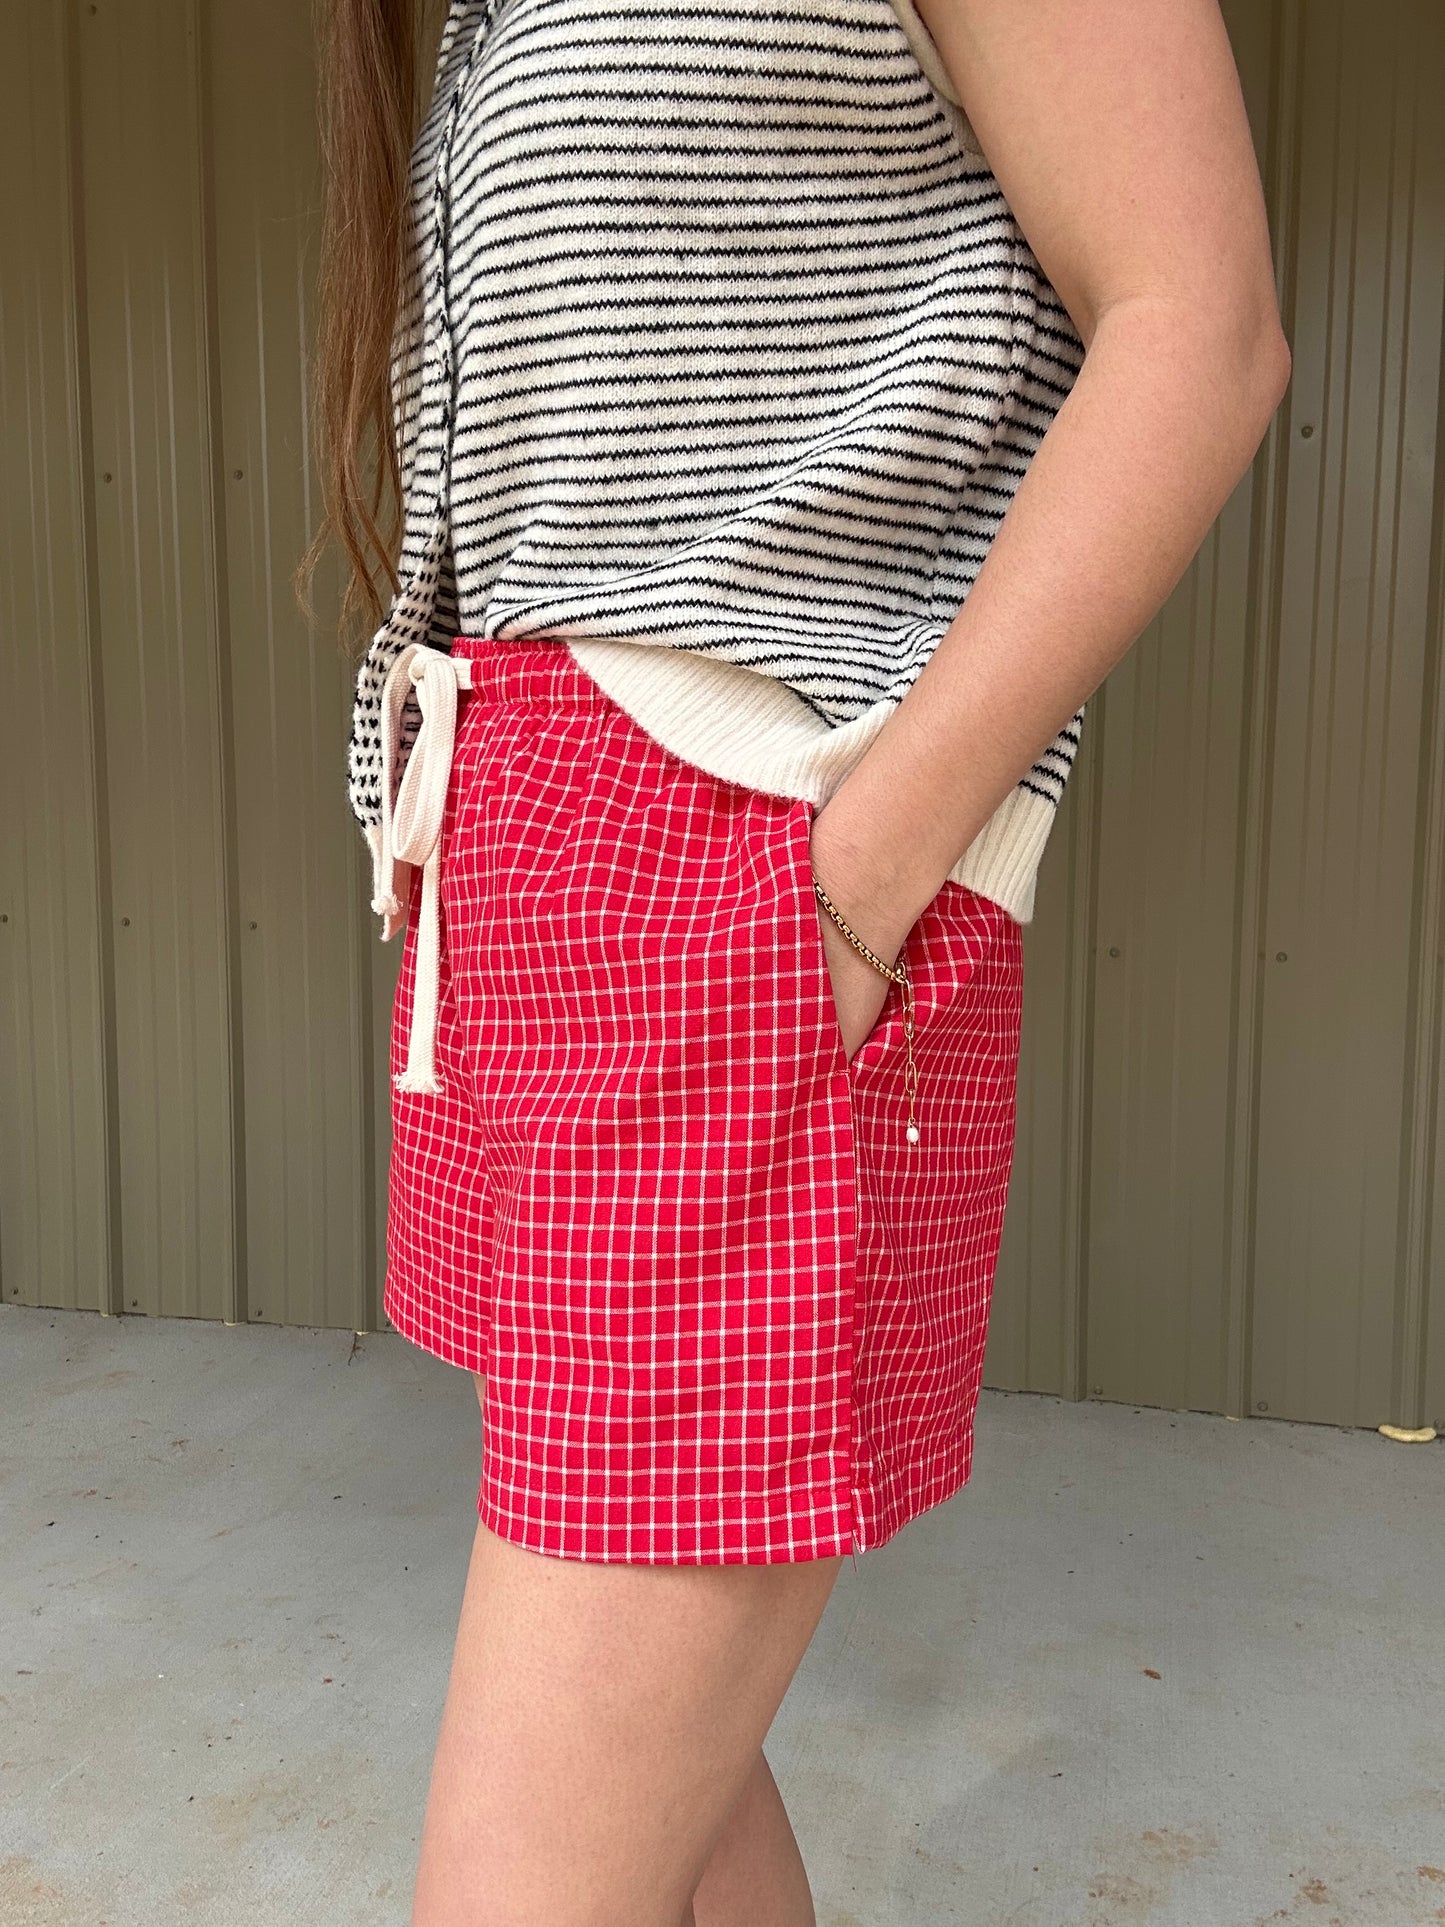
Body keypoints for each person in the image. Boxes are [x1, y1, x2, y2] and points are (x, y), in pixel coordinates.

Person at [300, 0, 1290, 1918]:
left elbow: (1199, 319)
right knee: (669, 1767)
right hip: (526, 846)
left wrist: (853, 882)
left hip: (730, 849)